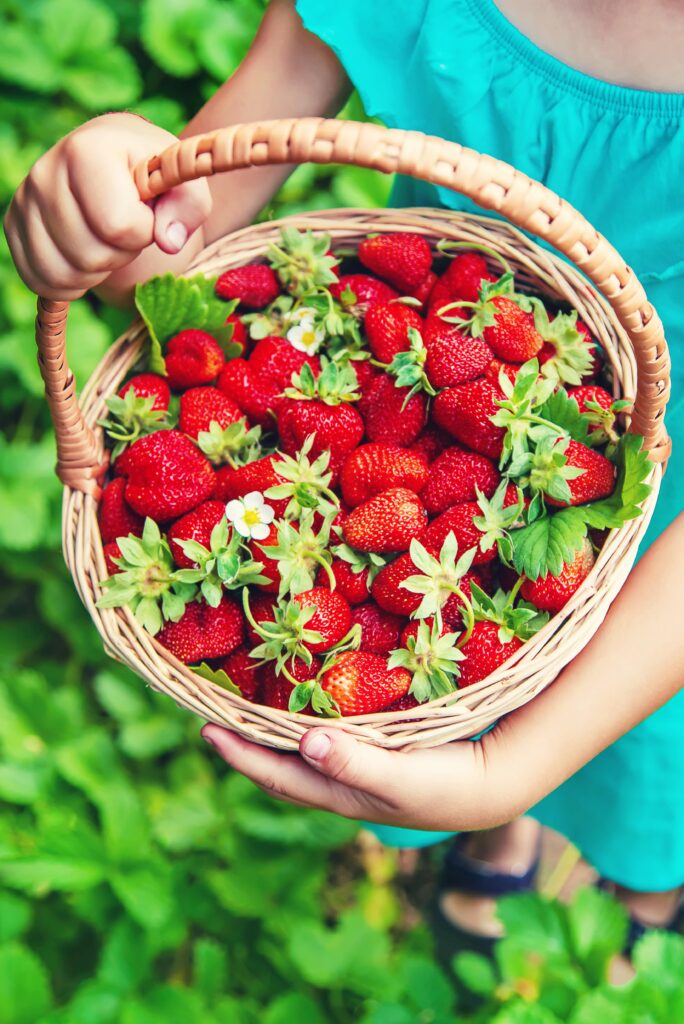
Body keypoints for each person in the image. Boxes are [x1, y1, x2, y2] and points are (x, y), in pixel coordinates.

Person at [6, 0, 684, 949]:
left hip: (651, 515)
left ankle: (644, 900)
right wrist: (116, 185)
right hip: (442, 351)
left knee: (638, 746)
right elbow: (173, 269)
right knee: (487, 639)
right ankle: (501, 832)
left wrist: (511, 767)